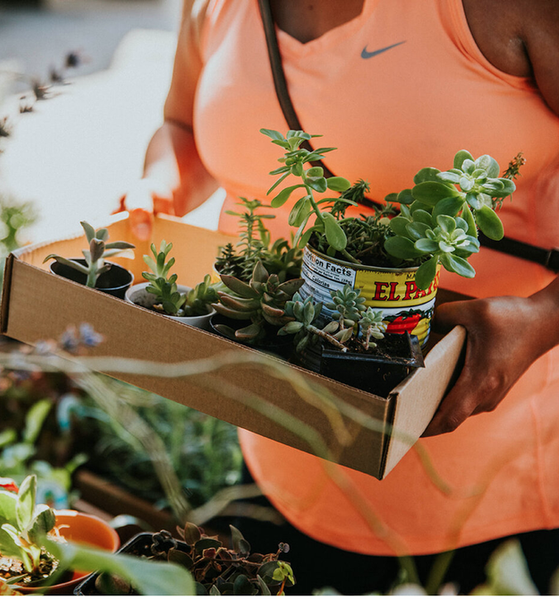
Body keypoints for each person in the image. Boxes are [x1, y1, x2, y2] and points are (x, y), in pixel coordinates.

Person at [121, 0, 559, 593]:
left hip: (482, 478)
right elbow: (183, 127)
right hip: (282, 444)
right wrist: (158, 187)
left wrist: (538, 321)